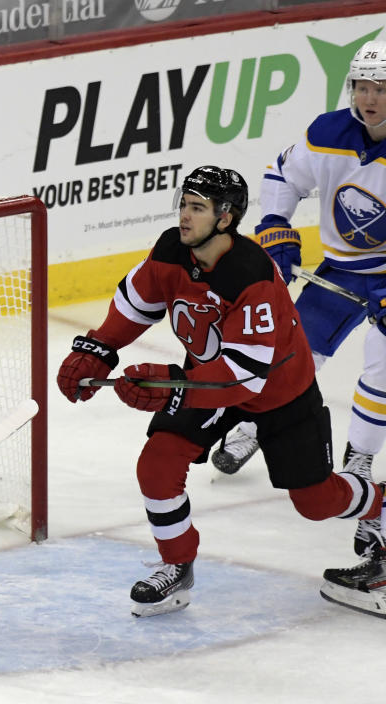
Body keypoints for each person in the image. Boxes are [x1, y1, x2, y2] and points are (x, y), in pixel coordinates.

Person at [56, 165, 385, 618]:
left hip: (278, 393)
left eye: (197, 208)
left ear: (226, 218)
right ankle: (176, 567)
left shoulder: (250, 276)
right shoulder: (172, 251)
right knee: (157, 463)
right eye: (184, 205)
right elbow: (135, 304)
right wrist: (99, 347)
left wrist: (172, 387)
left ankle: (380, 503)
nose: (184, 217)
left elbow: (243, 378)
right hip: (210, 381)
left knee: (317, 502)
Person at [212, 41, 386, 570]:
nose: (369, 97)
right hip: (338, 270)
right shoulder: (328, 133)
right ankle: (254, 427)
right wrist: (275, 226)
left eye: (380, 88)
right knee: (292, 357)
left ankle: (359, 463)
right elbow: (280, 177)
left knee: (382, 373)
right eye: (361, 85)